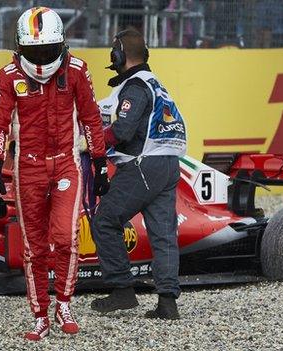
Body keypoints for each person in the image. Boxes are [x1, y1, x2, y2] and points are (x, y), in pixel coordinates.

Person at [0, 7, 108, 341]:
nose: (41, 57)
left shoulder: (78, 71)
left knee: (67, 238)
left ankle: (64, 303)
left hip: (66, 163)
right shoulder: (9, 75)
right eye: (34, 51)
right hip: (28, 167)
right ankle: (40, 315)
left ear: (61, 44)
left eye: (47, 49)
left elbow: (91, 119)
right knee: (34, 248)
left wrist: (100, 163)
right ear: (20, 46)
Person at [90, 29, 187, 319]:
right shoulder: (156, 83)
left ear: (118, 55)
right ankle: (167, 302)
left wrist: (93, 142)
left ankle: (121, 290)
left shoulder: (134, 86)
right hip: (168, 165)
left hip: (142, 165)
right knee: (164, 234)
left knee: (105, 220)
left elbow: (122, 130)